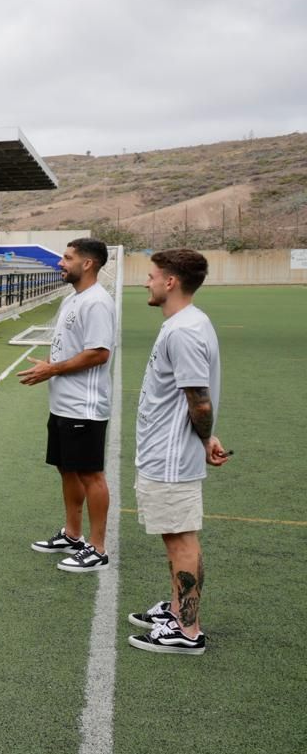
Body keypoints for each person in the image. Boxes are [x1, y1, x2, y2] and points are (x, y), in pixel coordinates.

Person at [126, 249, 228, 656]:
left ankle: (188, 631)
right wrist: (207, 436)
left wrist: (204, 438)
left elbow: (198, 400)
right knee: (175, 536)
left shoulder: (183, 330)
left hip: (171, 457)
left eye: (151, 276)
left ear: (170, 282)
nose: (145, 282)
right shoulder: (185, 324)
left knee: (181, 539)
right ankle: (175, 611)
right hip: (165, 452)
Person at [19, 238, 115, 571]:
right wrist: (48, 365)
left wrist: (53, 369)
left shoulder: (98, 302)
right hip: (63, 404)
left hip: (84, 407)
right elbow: (70, 348)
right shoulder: (74, 299)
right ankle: (73, 535)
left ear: (87, 264)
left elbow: (99, 353)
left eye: (67, 257)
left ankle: (98, 547)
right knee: (67, 468)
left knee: (91, 474)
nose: (61, 262)